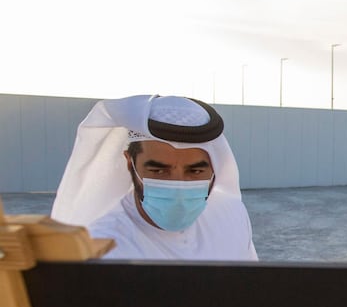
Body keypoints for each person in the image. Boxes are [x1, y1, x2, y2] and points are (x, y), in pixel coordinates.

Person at [51, 94, 258, 260]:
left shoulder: (231, 214)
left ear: (215, 168)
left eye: (195, 171)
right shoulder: (104, 249)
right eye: (159, 171)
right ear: (129, 163)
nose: (178, 184)